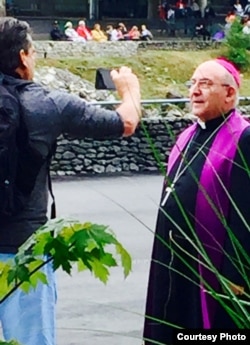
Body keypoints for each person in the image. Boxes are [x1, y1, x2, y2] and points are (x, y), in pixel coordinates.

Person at [0, 17, 141, 345]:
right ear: (23, 57)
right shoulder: (48, 104)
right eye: (33, 52)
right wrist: (128, 87)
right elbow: (126, 122)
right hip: (25, 252)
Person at [143, 58, 250, 344]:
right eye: (193, 84)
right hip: (174, 258)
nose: (195, 91)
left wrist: (235, 275)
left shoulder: (243, 137)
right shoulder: (187, 136)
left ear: (229, 93)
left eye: (205, 84)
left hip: (213, 269)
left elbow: (245, 211)